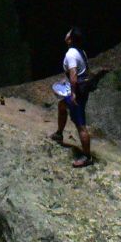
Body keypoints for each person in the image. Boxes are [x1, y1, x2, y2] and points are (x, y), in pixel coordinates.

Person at [49, 27, 94, 167]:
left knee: (80, 125)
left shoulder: (71, 54)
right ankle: (59, 133)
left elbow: (74, 76)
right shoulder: (82, 52)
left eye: (68, 32)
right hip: (83, 88)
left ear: (70, 39)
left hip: (78, 92)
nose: (66, 33)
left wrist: (73, 93)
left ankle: (87, 157)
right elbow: (84, 72)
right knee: (62, 105)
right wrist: (68, 81)